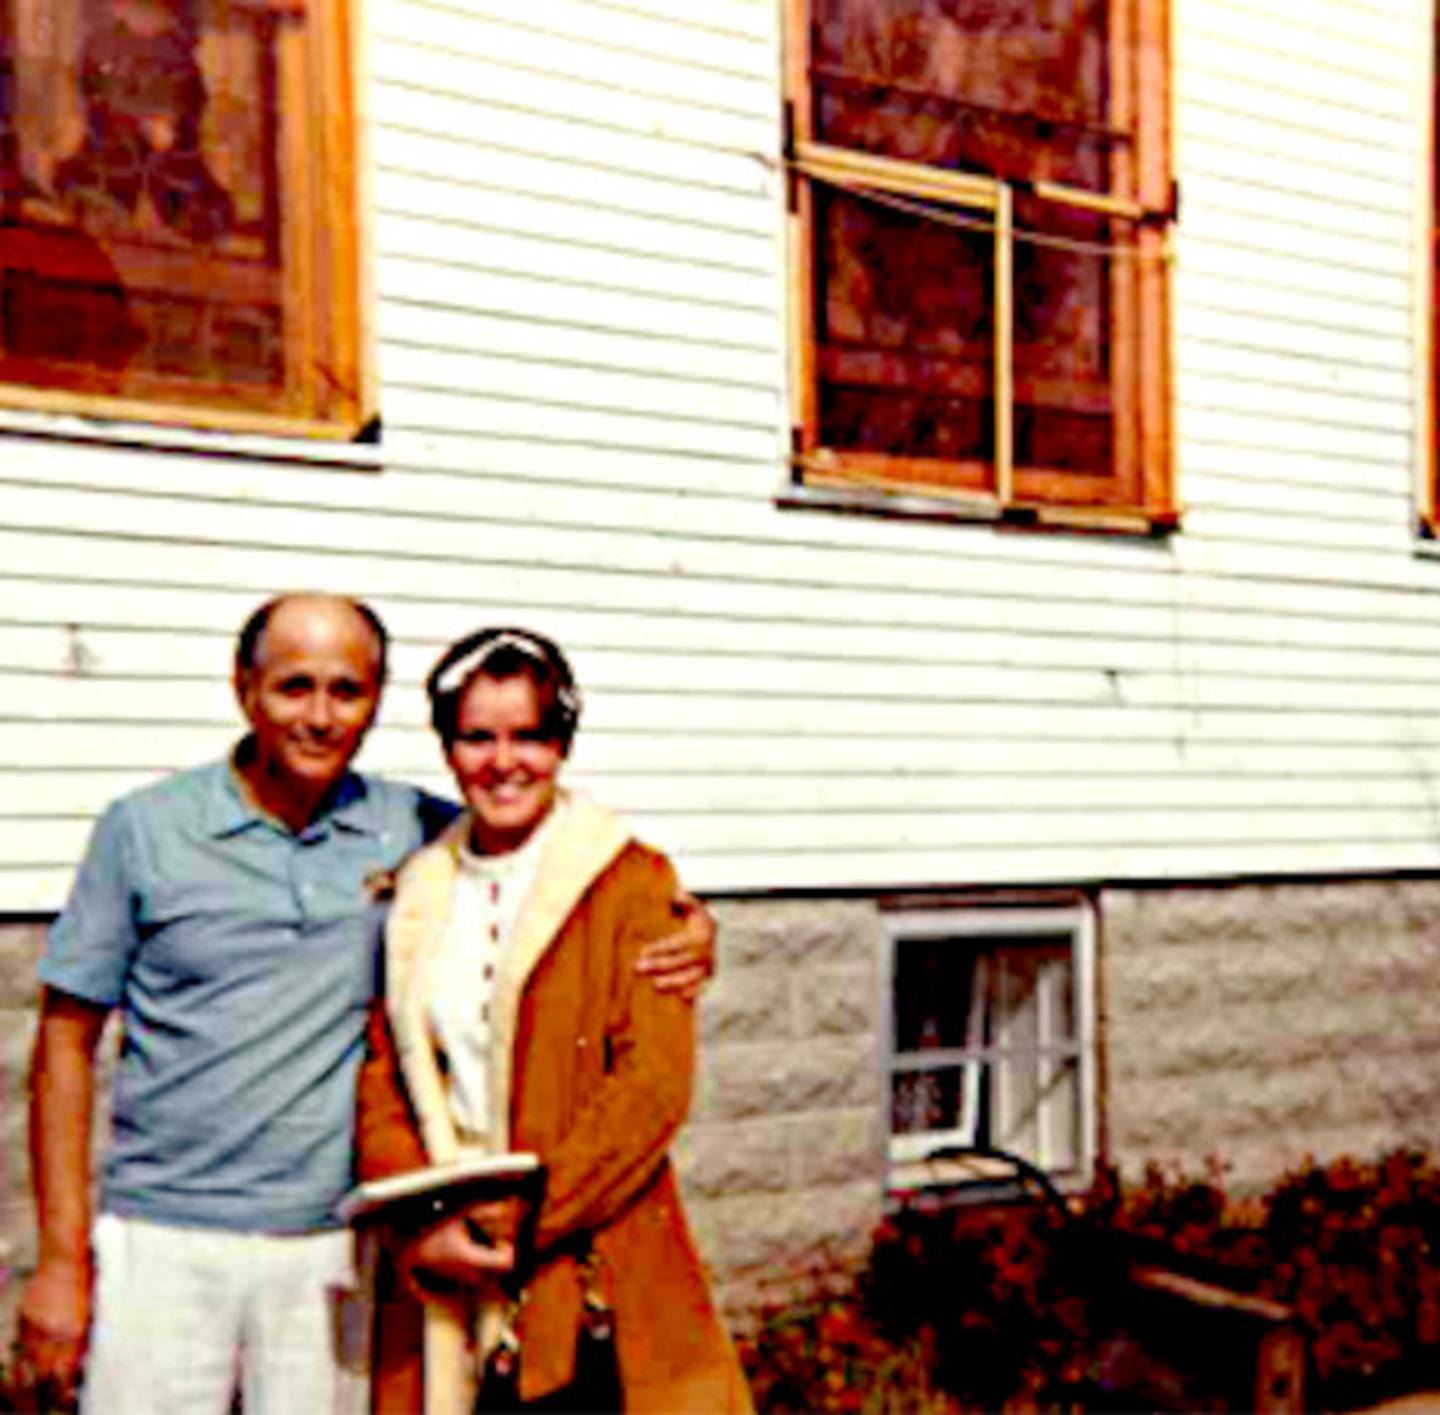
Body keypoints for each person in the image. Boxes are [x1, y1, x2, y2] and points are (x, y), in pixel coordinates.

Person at [17, 593, 716, 1415]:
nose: (319, 716)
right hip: (166, 1237)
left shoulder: (409, 829)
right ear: (246, 689)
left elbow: (554, 856)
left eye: (346, 691)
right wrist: (63, 1259)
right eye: (294, 687)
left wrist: (691, 920)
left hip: (331, 1248)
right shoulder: (144, 830)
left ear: (376, 701)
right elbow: (65, 1042)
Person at [356, 626, 751, 1414]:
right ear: (448, 747)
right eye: (478, 737)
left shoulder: (631, 881)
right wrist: (422, 1220)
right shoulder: (420, 888)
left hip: (589, 1244)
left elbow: (653, 1086)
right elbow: (386, 1072)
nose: (504, 762)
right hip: (448, 1261)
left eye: (528, 735)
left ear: (562, 741)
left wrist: (528, 1217)